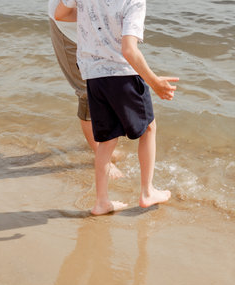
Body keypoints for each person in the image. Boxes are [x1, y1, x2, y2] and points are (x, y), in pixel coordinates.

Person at [55, 0, 178, 215]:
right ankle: (147, 191)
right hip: (122, 74)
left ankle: (101, 202)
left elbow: (60, 14)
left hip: (93, 74)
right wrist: (154, 82)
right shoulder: (133, 1)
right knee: (148, 128)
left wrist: (91, 17)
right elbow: (129, 50)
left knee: (106, 139)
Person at [48, 0, 122, 179]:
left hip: (91, 30)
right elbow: (62, 14)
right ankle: (101, 156)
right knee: (87, 93)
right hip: (68, 29)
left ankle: (102, 148)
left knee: (105, 86)